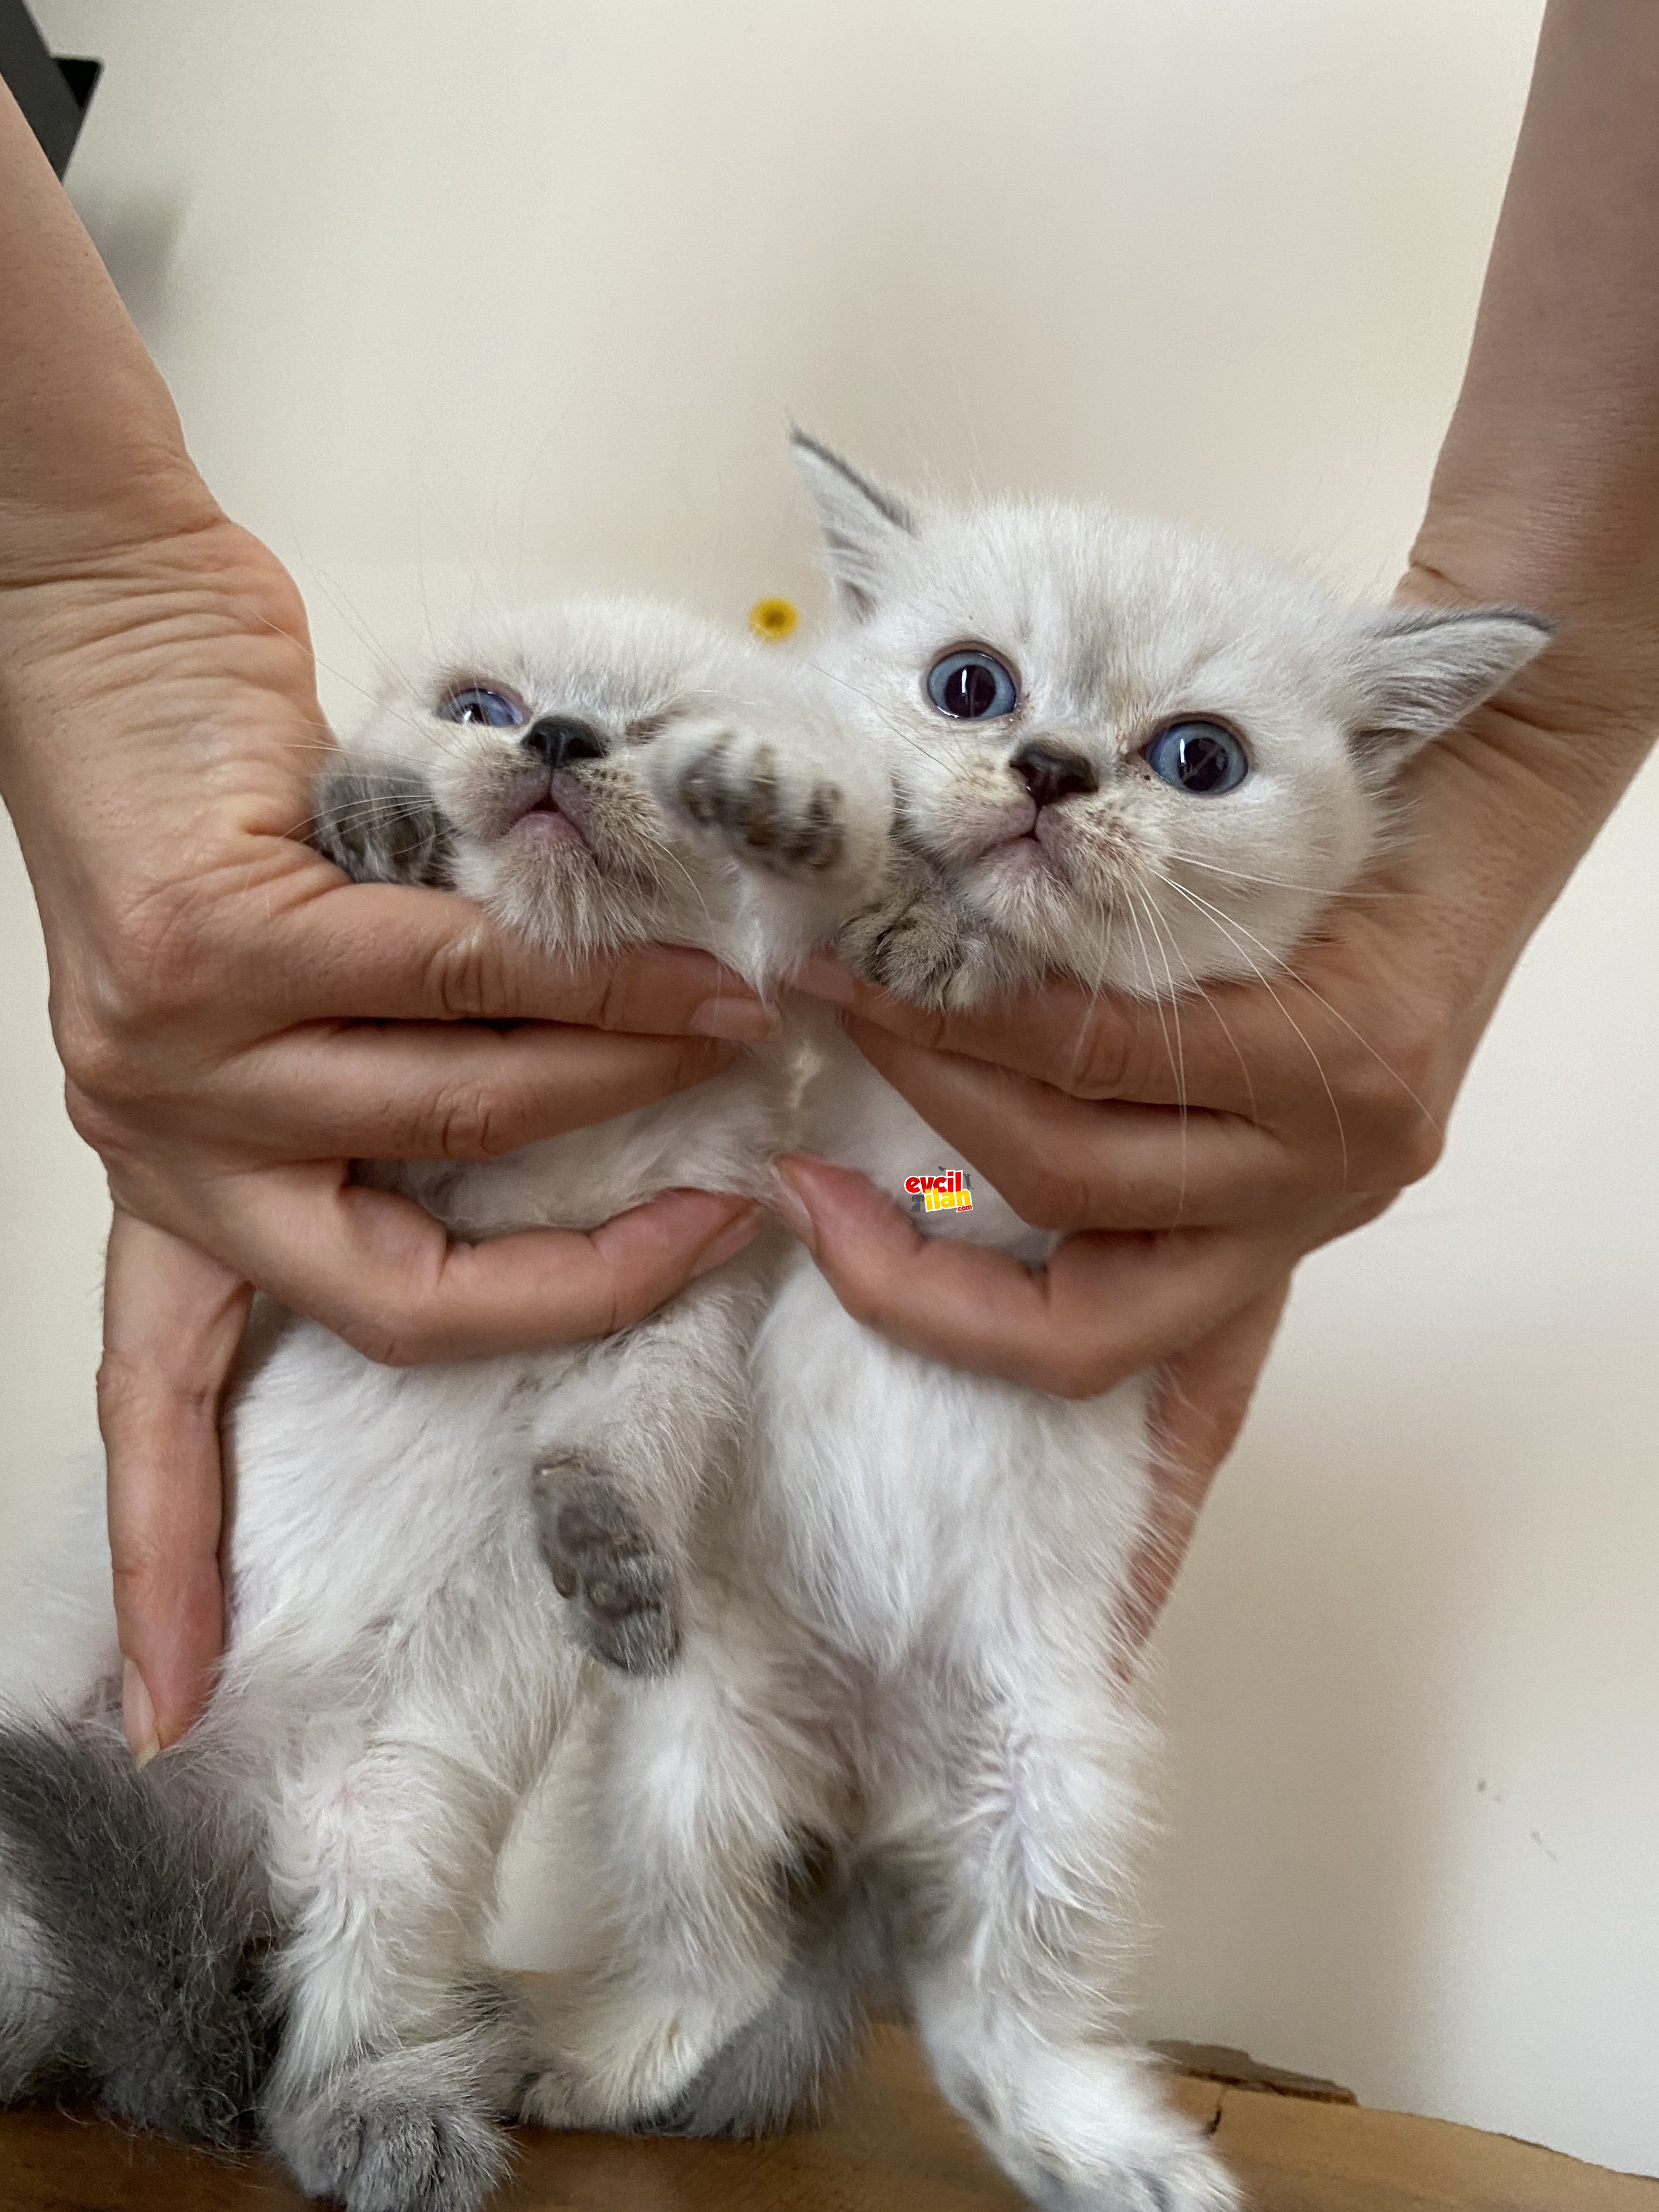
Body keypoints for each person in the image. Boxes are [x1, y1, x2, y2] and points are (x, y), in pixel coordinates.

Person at [1, 0, 1654, 1764]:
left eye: (1186, 759)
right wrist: (97, 593)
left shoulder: (939, 1130)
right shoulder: (768, 864)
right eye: (964, 696)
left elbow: (897, 1198)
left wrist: (937, 1207)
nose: (1040, 772)